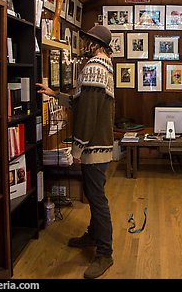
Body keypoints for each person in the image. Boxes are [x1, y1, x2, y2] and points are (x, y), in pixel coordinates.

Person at [36, 25, 115, 279]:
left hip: (92, 146)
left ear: (97, 45)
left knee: (98, 199)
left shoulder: (94, 68)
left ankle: (105, 253)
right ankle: (93, 236)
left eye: (88, 41)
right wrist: (54, 94)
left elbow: (87, 114)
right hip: (99, 143)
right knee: (94, 195)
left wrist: (77, 148)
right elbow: (80, 103)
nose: (84, 45)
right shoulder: (104, 66)